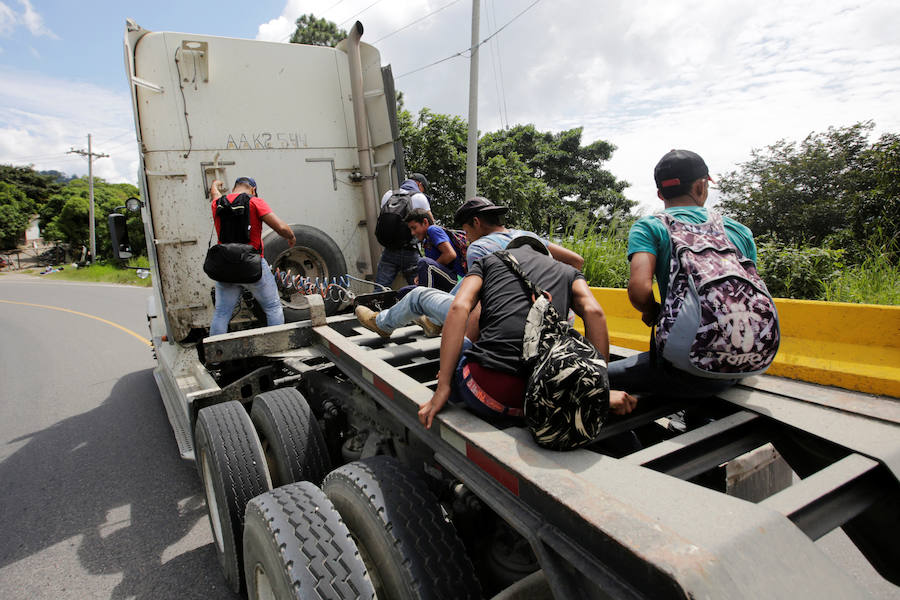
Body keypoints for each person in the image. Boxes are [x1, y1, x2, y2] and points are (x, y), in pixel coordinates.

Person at [417, 235, 638, 429]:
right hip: (546, 396)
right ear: (546, 256)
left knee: (479, 309)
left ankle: (450, 383)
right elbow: (595, 312)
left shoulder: (489, 261)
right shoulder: (569, 272)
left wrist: (443, 386)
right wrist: (599, 389)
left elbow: (459, 307)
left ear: (511, 251)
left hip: (486, 394)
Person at [606, 149, 760, 398]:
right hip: (745, 362)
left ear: (660, 193)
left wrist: (651, 312)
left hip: (686, 367)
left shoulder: (650, 226)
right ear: (701, 186)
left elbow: (639, 290)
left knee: (592, 378)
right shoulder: (739, 230)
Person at [355, 197, 584, 337]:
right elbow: (577, 262)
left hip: (505, 322)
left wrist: (463, 352)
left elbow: (478, 303)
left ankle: (383, 323)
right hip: (556, 317)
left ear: (476, 223)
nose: (466, 236)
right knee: (467, 281)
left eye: (466, 230)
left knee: (417, 296)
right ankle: (433, 322)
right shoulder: (528, 236)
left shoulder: (480, 247)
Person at [209, 177, 296, 336]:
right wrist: (290, 236)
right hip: (252, 265)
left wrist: (214, 185)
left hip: (225, 267)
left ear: (235, 188)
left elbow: (214, 194)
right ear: (253, 190)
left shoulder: (218, 203)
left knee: (221, 314)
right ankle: (276, 348)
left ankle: (215, 359)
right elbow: (281, 227)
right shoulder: (255, 202)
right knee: (272, 307)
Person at [374, 173, 432, 288]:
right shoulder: (419, 197)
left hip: (389, 251)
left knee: (380, 290)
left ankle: (373, 306)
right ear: (419, 184)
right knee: (420, 290)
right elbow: (430, 225)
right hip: (411, 252)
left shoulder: (389, 195)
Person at [405, 208, 465, 292]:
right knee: (404, 291)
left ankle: (424, 302)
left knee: (424, 262)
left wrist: (427, 267)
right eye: (410, 229)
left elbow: (450, 254)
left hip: (456, 280)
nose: (412, 233)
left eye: (414, 228)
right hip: (443, 278)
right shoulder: (426, 242)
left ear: (425, 222)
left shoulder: (432, 230)